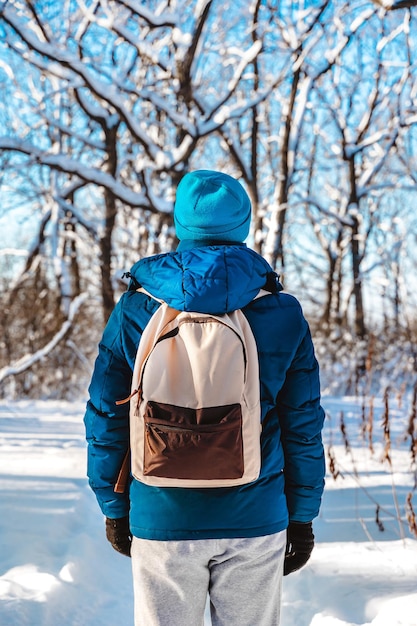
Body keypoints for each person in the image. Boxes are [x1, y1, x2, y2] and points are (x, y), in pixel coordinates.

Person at [84, 169, 325, 626]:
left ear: (181, 226)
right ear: (244, 226)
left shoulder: (137, 308)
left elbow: (104, 414)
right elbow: (303, 423)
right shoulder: (281, 311)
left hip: (162, 513)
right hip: (257, 516)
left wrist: (114, 507)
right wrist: (303, 515)